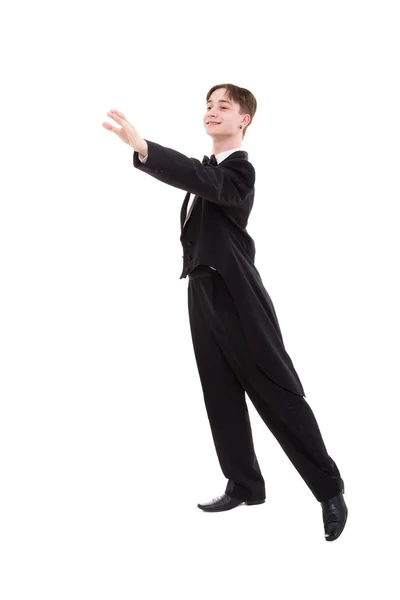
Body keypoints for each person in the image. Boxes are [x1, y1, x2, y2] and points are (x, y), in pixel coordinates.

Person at [102, 83, 348, 542]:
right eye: (208, 106)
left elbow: (204, 181)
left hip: (237, 296)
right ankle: (244, 483)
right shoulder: (211, 170)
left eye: (224, 107)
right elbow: (199, 181)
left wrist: (143, 148)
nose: (212, 112)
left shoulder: (238, 173)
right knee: (219, 389)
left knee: (275, 391)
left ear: (244, 120)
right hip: (202, 289)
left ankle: (329, 490)